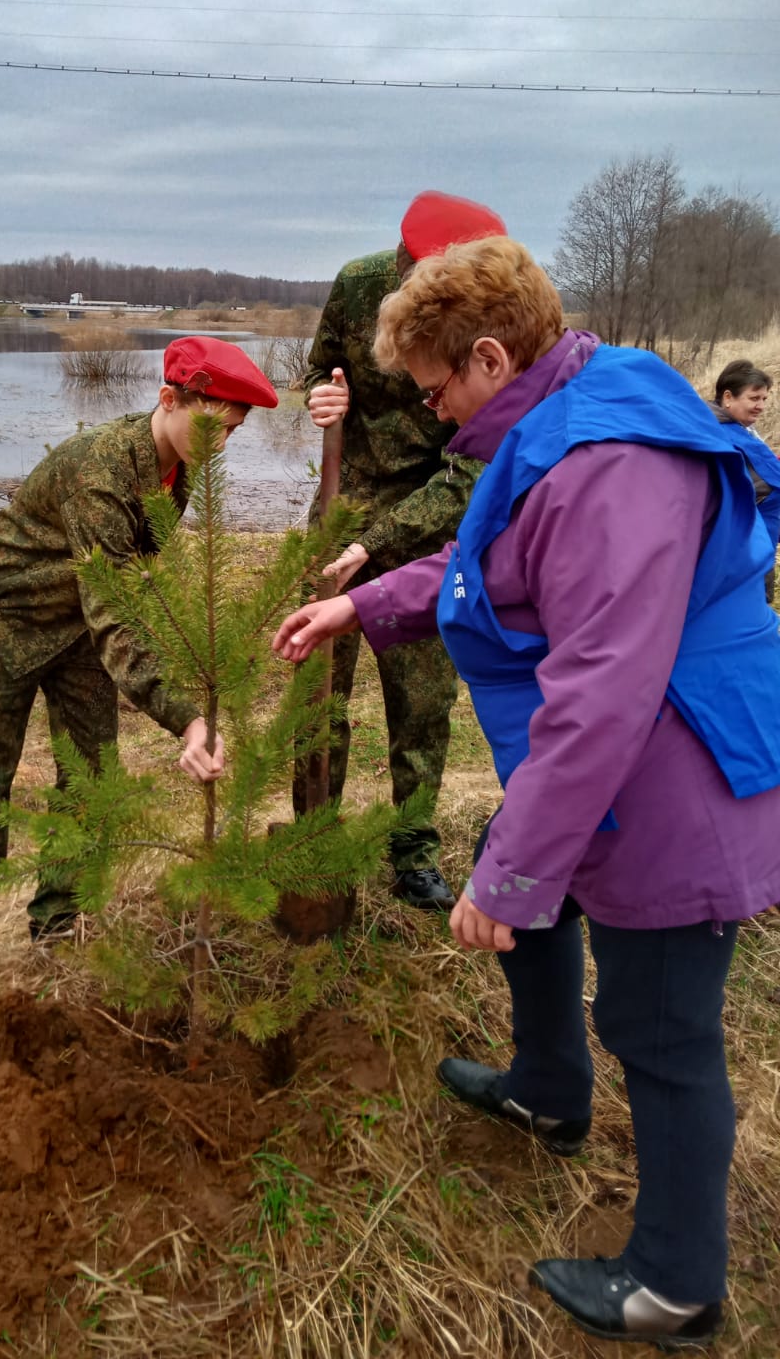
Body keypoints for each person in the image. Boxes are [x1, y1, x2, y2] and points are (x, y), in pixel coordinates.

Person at [274, 236, 780, 1349]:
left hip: (677, 774)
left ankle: (676, 1282)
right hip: (620, 757)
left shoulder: (610, 464)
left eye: (436, 387)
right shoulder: (566, 407)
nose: (433, 412)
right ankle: (548, 1090)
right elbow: (492, 561)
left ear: (492, 358)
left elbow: (605, 689)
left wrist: (505, 877)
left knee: (659, 1025)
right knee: (537, 898)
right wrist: (364, 607)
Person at [0, 336, 278, 992]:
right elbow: (115, 610)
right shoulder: (103, 474)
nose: (219, 446)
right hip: (15, 611)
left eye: (230, 434)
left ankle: (59, 920)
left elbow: (122, 586)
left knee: (92, 772)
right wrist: (185, 719)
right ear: (169, 400)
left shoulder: (176, 466)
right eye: (212, 427)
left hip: (85, 623)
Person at [294, 190, 506, 912]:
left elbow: (470, 475)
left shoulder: (487, 326)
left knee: (422, 698)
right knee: (318, 689)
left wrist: (376, 543)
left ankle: (412, 851)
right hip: (341, 505)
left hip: (431, 523)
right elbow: (318, 372)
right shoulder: (357, 285)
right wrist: (322, 400)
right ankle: (314, 835)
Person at [711, 358, 780, 600]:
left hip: (759, 543)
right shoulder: (718, 433)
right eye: (754, 398)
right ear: (728, 398)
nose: (761, 406)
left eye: (764, 399)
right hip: (744, 551)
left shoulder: (740, 429)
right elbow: (762, 487)